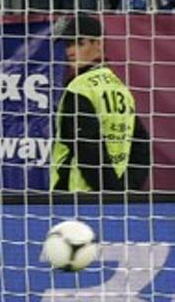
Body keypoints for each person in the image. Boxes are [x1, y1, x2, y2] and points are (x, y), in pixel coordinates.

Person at [51, 14, 149, 192]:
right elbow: (141, 146)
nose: (70, 51)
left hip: (75, 194)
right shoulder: (119, 87)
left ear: (99, 44)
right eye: (68, 44)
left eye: (79, 43)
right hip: (117, 197)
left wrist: (110, 191)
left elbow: (86, 149)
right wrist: (127, 188)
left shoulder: (79, 88)